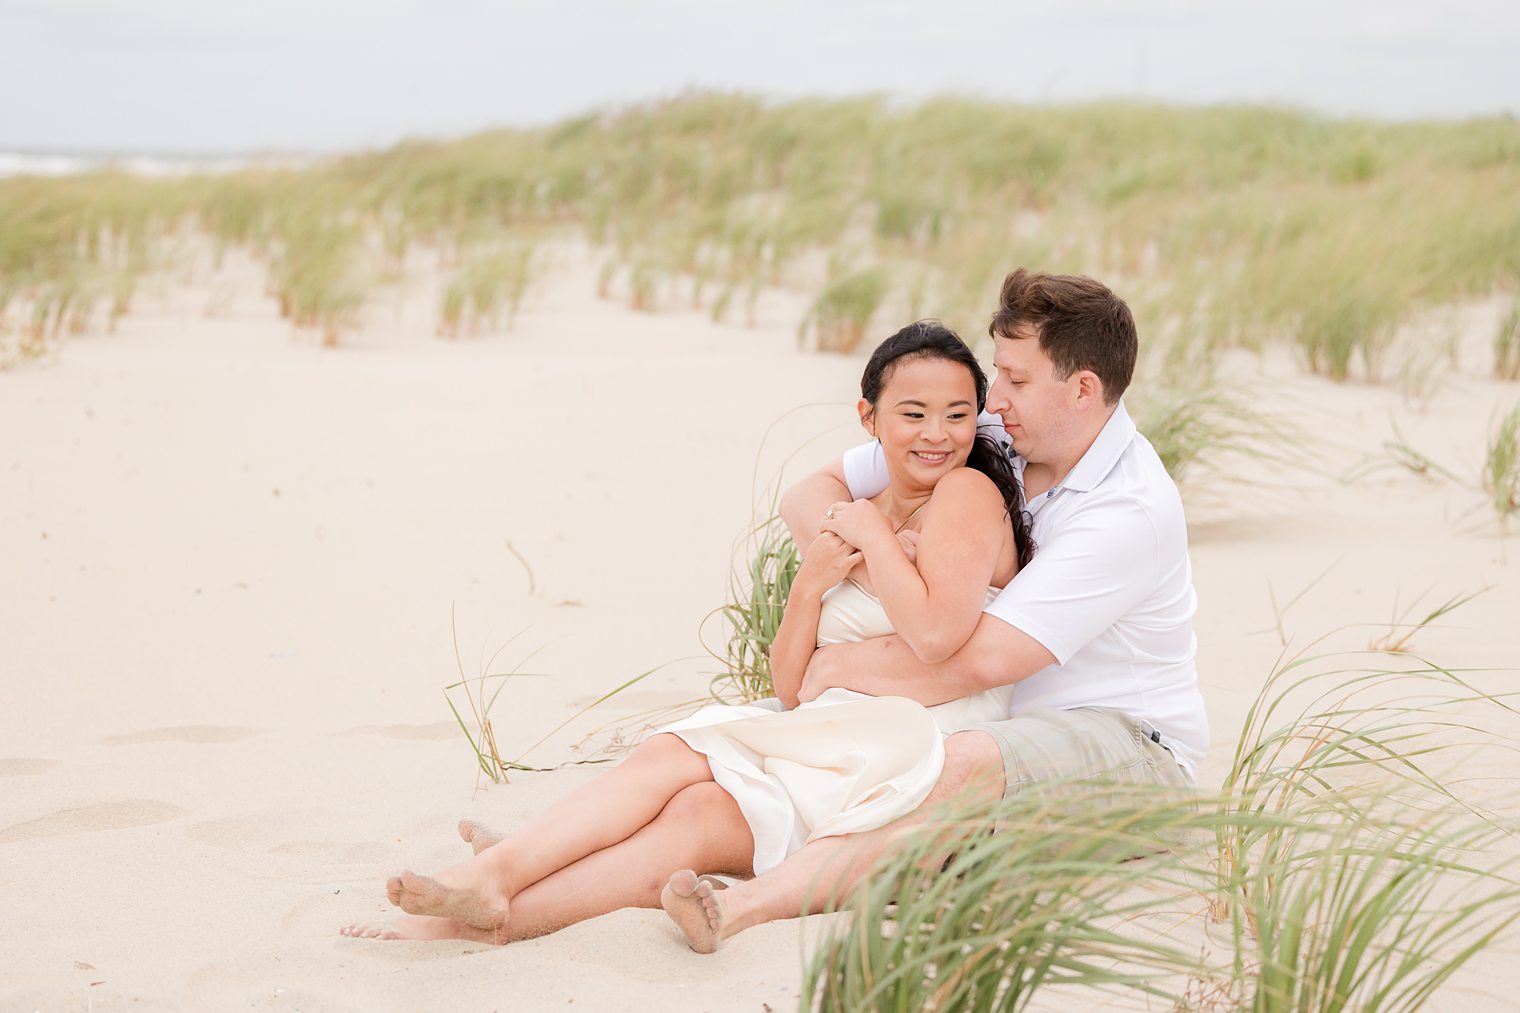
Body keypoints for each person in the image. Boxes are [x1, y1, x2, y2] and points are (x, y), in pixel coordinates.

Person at [339, 321, 1034, 944]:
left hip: (914, 744)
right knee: (689, 791)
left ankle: (477, 908)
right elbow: (789, 688)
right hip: (828, 731)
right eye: (913, 413)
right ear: (869, 417)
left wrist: (873, 538)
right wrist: (808, 583)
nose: (937, 434)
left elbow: (938, 634)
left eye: (958, 414)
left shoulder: (963, 495)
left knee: (688, 767)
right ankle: (495, 892)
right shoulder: (858, 512)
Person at [656, 267, 1208, 953]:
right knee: (734, 733)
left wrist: (837, 664)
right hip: (981, 715)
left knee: (954, 763)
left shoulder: (1130, 508)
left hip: (1128, 749)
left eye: (1013, 377)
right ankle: (537, 869)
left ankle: (743, 908)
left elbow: (984, 659)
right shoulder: (1001, 434)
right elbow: (813, 490)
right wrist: (867, 548)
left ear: (1083, 389)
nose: (992, 397)